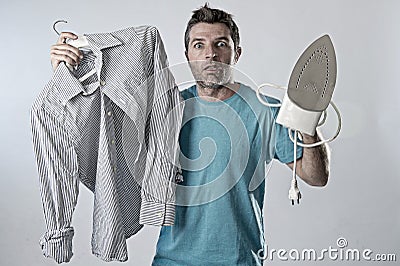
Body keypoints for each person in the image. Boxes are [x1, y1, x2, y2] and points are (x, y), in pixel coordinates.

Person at [49, 4, 329, 265]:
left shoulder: (266, 110)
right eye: (199, 45)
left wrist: (307, 121)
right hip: (172, 260)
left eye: (221, 44)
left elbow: (316, 177)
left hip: (240, 260)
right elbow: (100, 136)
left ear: (237, 53)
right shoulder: (164, 111)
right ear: (187, 55)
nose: (211, 54)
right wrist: (68, 77)